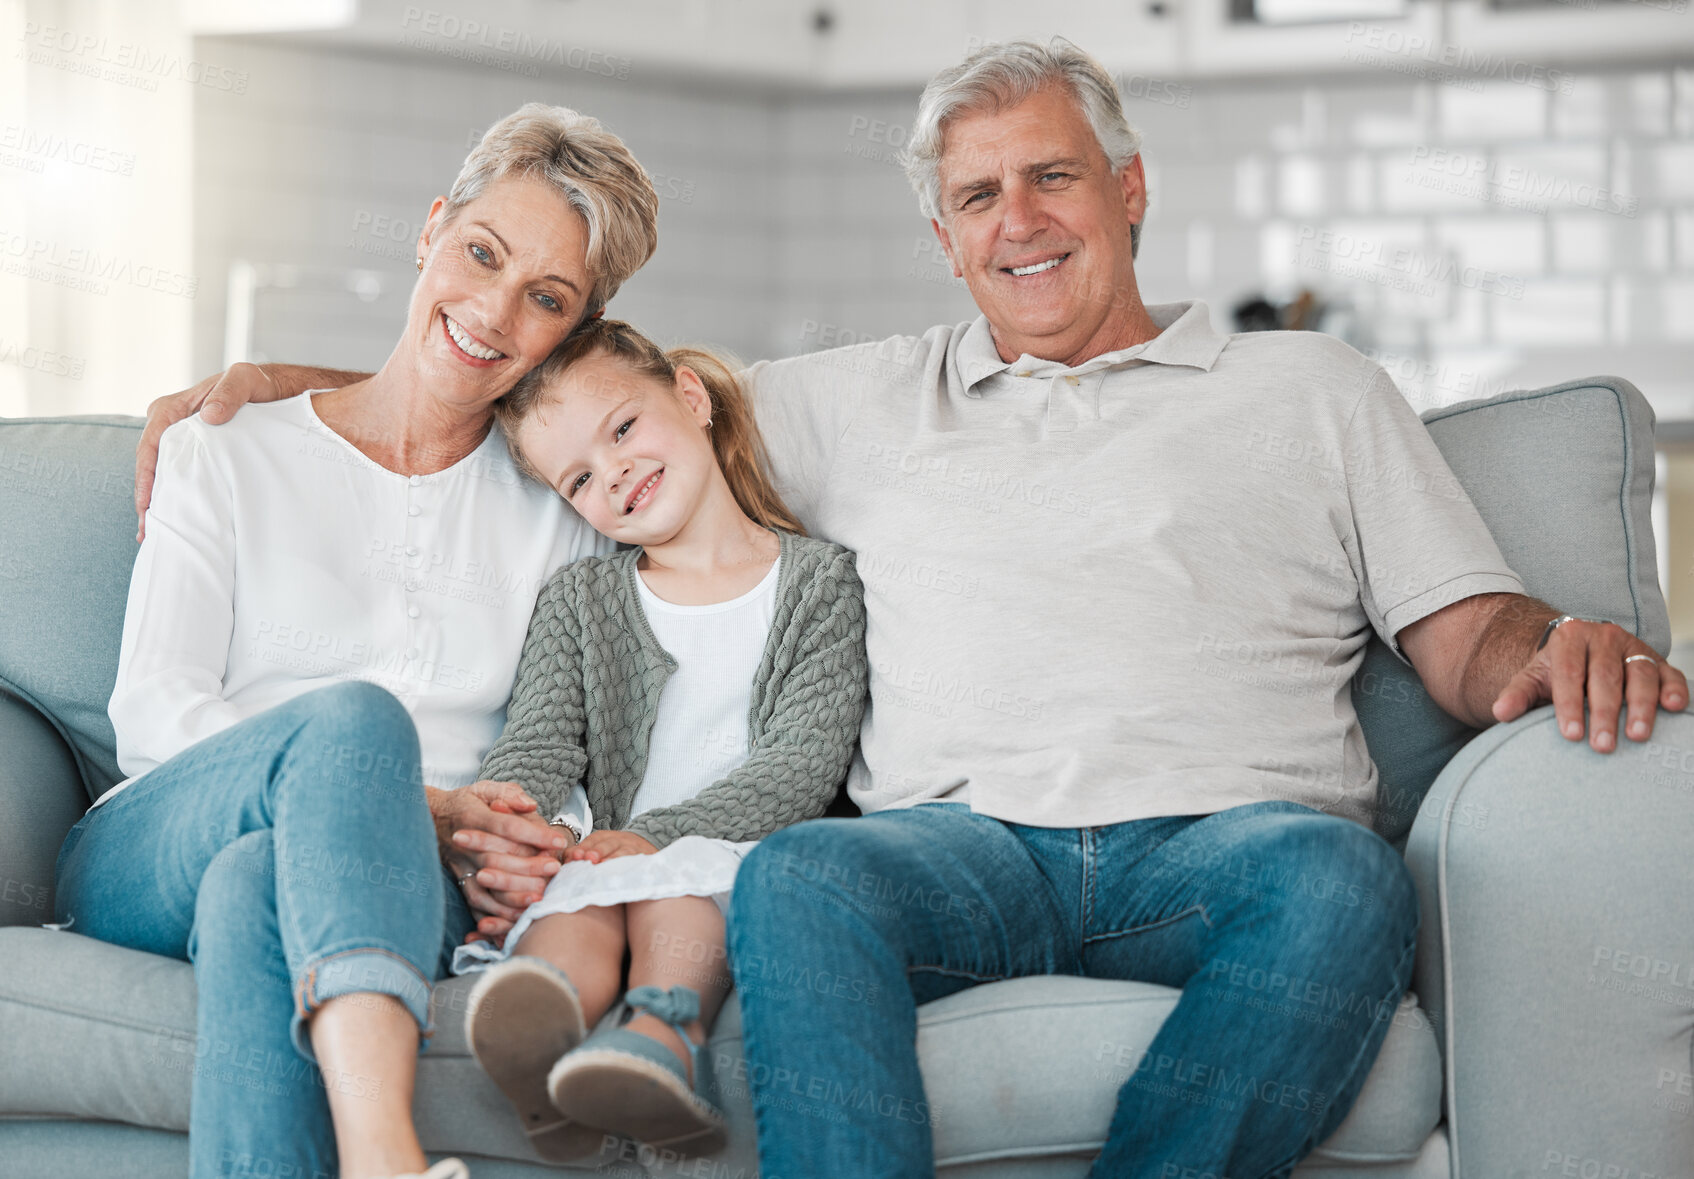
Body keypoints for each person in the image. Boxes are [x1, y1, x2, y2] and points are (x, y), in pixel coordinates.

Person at [134, 39, 1688, 1179]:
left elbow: (1461, 627)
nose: (1016, 220)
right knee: (801, 877)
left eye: (1051, 176)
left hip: (1226, 837)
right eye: (975, 195)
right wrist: (314, 392)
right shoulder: (851, 398)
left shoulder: (1313, 388)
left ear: (1128, 189)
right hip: (957, 850)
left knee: (1343, 885)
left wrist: (1544, 645)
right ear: (941, 236)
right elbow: (599, 397)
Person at [61, 104, 658, 1179]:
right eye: (480, 253)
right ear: (431, 230)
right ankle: (386, 1159)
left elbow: (560, 758)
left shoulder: (565, 518)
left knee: (257, 887)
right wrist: (398, 792)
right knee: (354, 720)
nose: (492, 310)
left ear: (575, 329)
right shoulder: (229, 447)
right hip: (158, 835)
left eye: (546, 299)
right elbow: (154, 716)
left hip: (397, 879)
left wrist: (519, 837)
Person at [446, 319, 868, 1160]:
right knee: (578, 906)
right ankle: (546, 1032)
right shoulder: (581, 600)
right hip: (607, 859)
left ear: (689, 394)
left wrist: (652, 838)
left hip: (740, 857)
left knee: (674, 888)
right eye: (581, 478)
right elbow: (537, 743)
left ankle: (658, 1037)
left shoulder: (819, 582)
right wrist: (520, 834)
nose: (616, 473)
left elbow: (800, 766)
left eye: (624, 428)